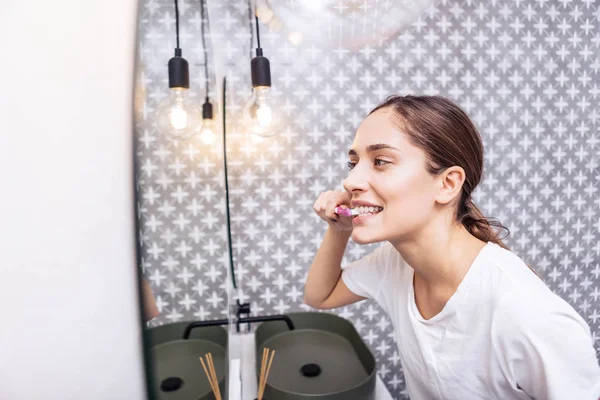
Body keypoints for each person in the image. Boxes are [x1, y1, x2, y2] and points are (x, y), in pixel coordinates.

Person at [304, 95, 600, 399]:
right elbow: (320, 296)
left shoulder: (528, 315)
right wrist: (338, 230)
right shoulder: (395, 263)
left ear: (447, 184)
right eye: (353, 163)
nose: (350, 180)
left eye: (380, 161)